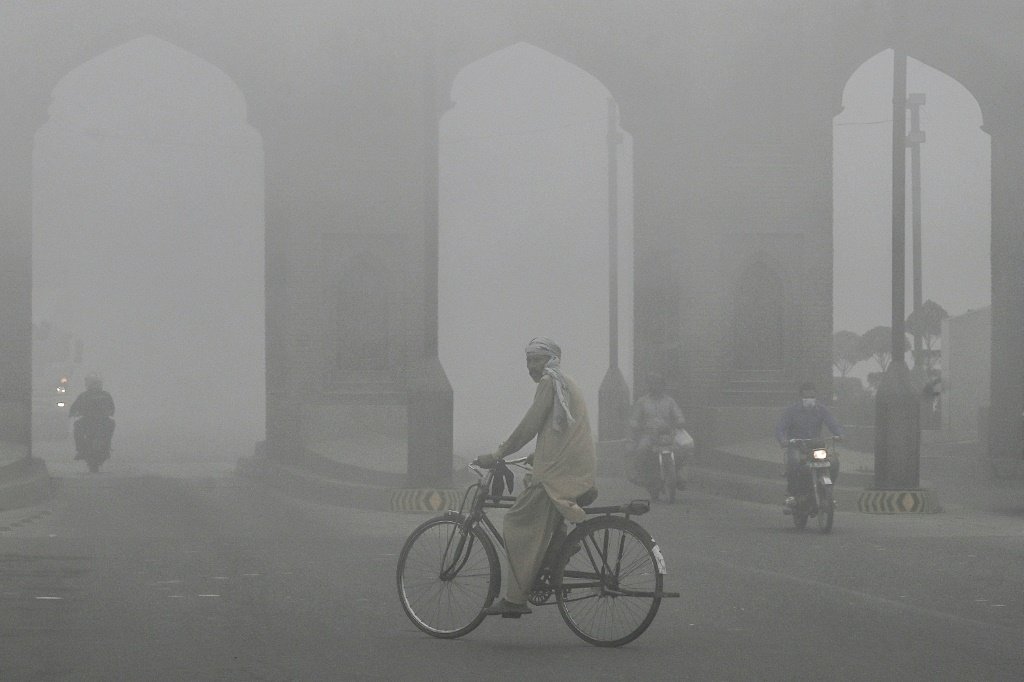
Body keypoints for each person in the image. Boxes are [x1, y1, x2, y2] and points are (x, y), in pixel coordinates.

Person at [474, 338, 596, 617]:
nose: (531, 366)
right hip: (573, 465)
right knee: (540, 518)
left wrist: (498, 453)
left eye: (537, 360)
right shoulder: (563, 382)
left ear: (552, 360)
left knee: (516, 521)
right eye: (528, 361)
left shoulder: (550, 382)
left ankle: (515, 599)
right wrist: (538, 454)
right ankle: (555, 552)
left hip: (560, 471)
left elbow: (530, 425)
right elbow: (558, 428)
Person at [775, 382, 842, 509]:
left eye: (812, 396)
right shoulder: (791, 411)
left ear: (816, 396)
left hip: (816, 446)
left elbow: (833, 423)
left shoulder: (821, 410)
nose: (809, 399)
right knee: (794, 462)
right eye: (806, 396)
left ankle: (828, 490)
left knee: (834, 462)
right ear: (801, 397)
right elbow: (780, 427)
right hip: (797, 446)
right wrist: (783, 440)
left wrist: (839, 434)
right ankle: (793, 495)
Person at [627, 372, 689, 493]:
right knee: (641, 450)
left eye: (659, 384)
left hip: (668, 434)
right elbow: (634, 419)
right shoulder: (642, 402)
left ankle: (681, 477)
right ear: (649, 386)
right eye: (653, 384)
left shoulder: (670, 401)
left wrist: (680, 421)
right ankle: (640, 475)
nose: (656, 387)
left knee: (684, 450)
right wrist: (636, 425)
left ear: (663, 386)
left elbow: (679, 415)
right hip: (649, 435)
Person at [69, 374, 115, 459]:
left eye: (96, 384)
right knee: (77, 427)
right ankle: (81, 450)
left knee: (110, 427)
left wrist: (72, 413)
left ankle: (105, 447)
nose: (95, 386)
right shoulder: (103, 395)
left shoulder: (85, 395)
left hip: (96, 421)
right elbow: (112, 408)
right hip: (93, 421)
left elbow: (111, 408)